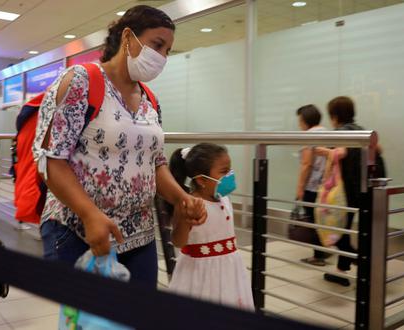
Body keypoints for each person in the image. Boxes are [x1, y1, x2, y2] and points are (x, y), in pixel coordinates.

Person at [33, 5, 206, 287]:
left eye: (167, 51)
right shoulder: (81, 81)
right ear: (128, 37)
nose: (161, 57)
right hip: (79, 231)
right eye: (157, 45)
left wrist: (181, 199)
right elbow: (51, 159)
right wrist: (90, 215)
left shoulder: (150, 98)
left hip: (139, 235)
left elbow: (155, 164)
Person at [167, 143, 254, 310]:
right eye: (223, 172)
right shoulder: (189, 204)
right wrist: (186, 219)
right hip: (200, 274)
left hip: (230, 270)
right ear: (201, 180)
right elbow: (178, 241)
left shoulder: (225, 199)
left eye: (230, 170)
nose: (230, 175)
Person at [316, 96, 380, 286]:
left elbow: (341, 152)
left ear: (334, 116)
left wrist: (324, 151)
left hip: (347, 191)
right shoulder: (361, 130)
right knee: (353, 230)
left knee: (338, 230)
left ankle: (358, 260)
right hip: (366, 188)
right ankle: (343, 269)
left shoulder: (341, 132)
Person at [295, 105, 329, 267]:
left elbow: (306, 164)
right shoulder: (327, 132)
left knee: (313, 220)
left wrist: (300, 187)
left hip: (312, 186)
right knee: (322, 219)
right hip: (327, 185)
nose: (299, 124)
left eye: (300, 120)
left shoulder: (309, 136)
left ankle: (318, 255)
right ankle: (325, 249)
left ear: (305, 120)